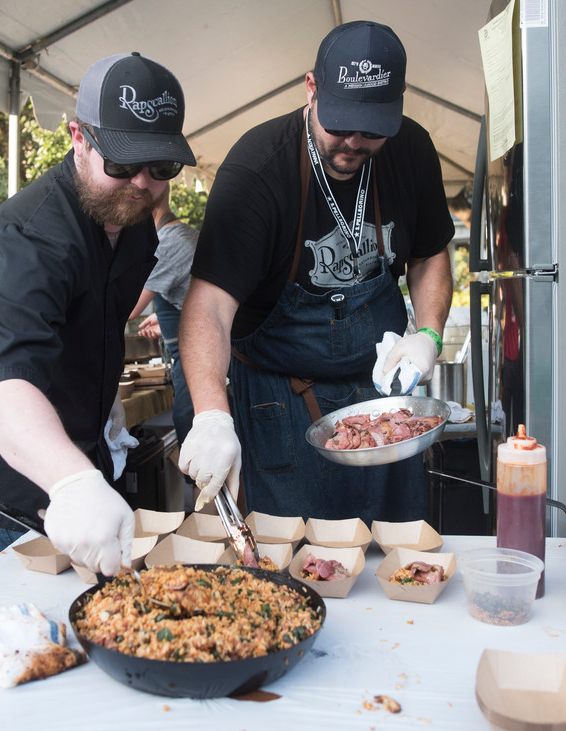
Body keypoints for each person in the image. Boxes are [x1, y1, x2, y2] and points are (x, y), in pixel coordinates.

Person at [178, 21, 454, 525]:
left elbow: (431, 254)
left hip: (383, 393)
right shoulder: (258, 168)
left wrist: (429, 333)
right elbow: (210, 305)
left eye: (371, 129)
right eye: (340, 123)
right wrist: (212, 416)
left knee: (399, 553)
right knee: (297, 565)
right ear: (311, 89)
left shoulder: (412, 150)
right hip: (283, 399)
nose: (352, 142)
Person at [0, 52, 195, 574]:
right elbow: (10, 390)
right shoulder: (27, 238)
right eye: (121, 164)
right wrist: (71, 481)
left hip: (84, 434)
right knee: (54, 613)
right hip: (12, 460)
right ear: (78, 138)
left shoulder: (135, 215)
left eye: (161, 167)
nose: (143, 183)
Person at [128, 182, 197, 445]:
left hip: (195, 359)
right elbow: (188, 299)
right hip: (190, 352)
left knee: (195, 446)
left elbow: (128, 309)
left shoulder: (170, 243)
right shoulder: (181, 234)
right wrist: (164, 321)